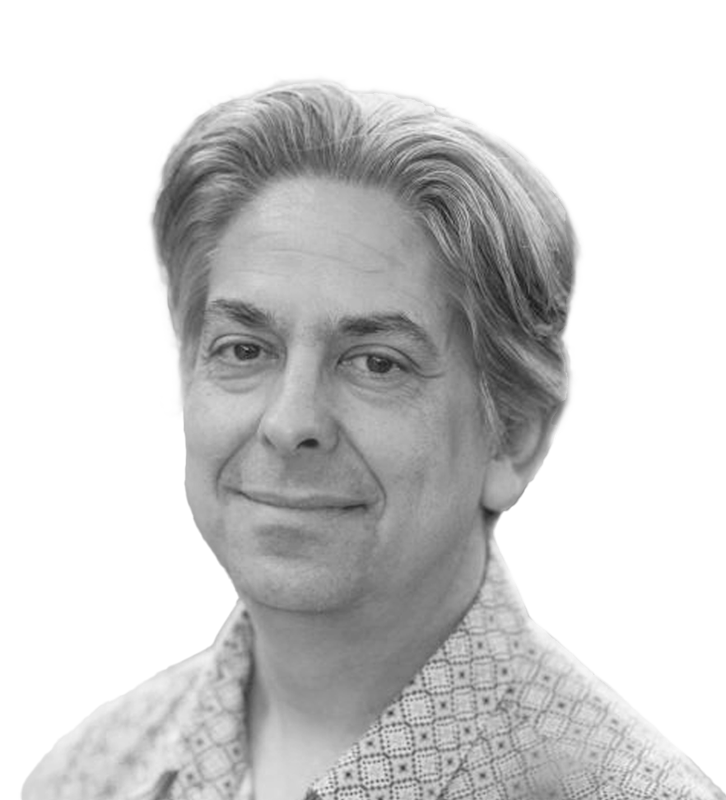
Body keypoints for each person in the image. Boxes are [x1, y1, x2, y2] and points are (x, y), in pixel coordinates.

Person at [25, 75, 723, 800]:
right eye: (244, 349)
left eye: (376, 363)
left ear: (512, 437)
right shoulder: (88, 776)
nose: (289, 423)